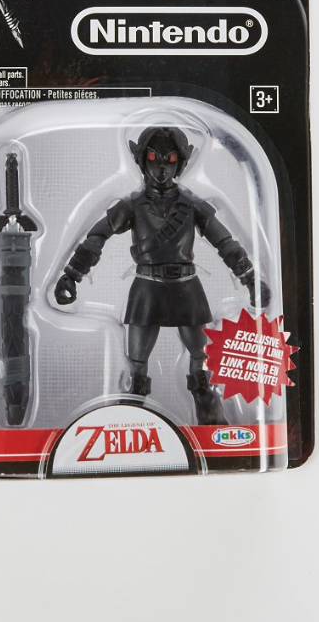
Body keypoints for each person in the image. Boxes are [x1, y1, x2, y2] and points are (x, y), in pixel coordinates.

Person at [54, 126, 270, 424]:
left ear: (181, 163)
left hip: (186, 287)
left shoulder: (192, 206)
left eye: (170, 160)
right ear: (142, 160)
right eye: (154, 158)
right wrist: (71, 274)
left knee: (201, 361)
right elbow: (97, 236)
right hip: (148, 288)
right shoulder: (132, 206)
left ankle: (207, 410)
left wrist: (249, 278)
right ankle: (132, 413)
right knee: (136, 366)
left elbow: (225, 242)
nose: (161, 167)